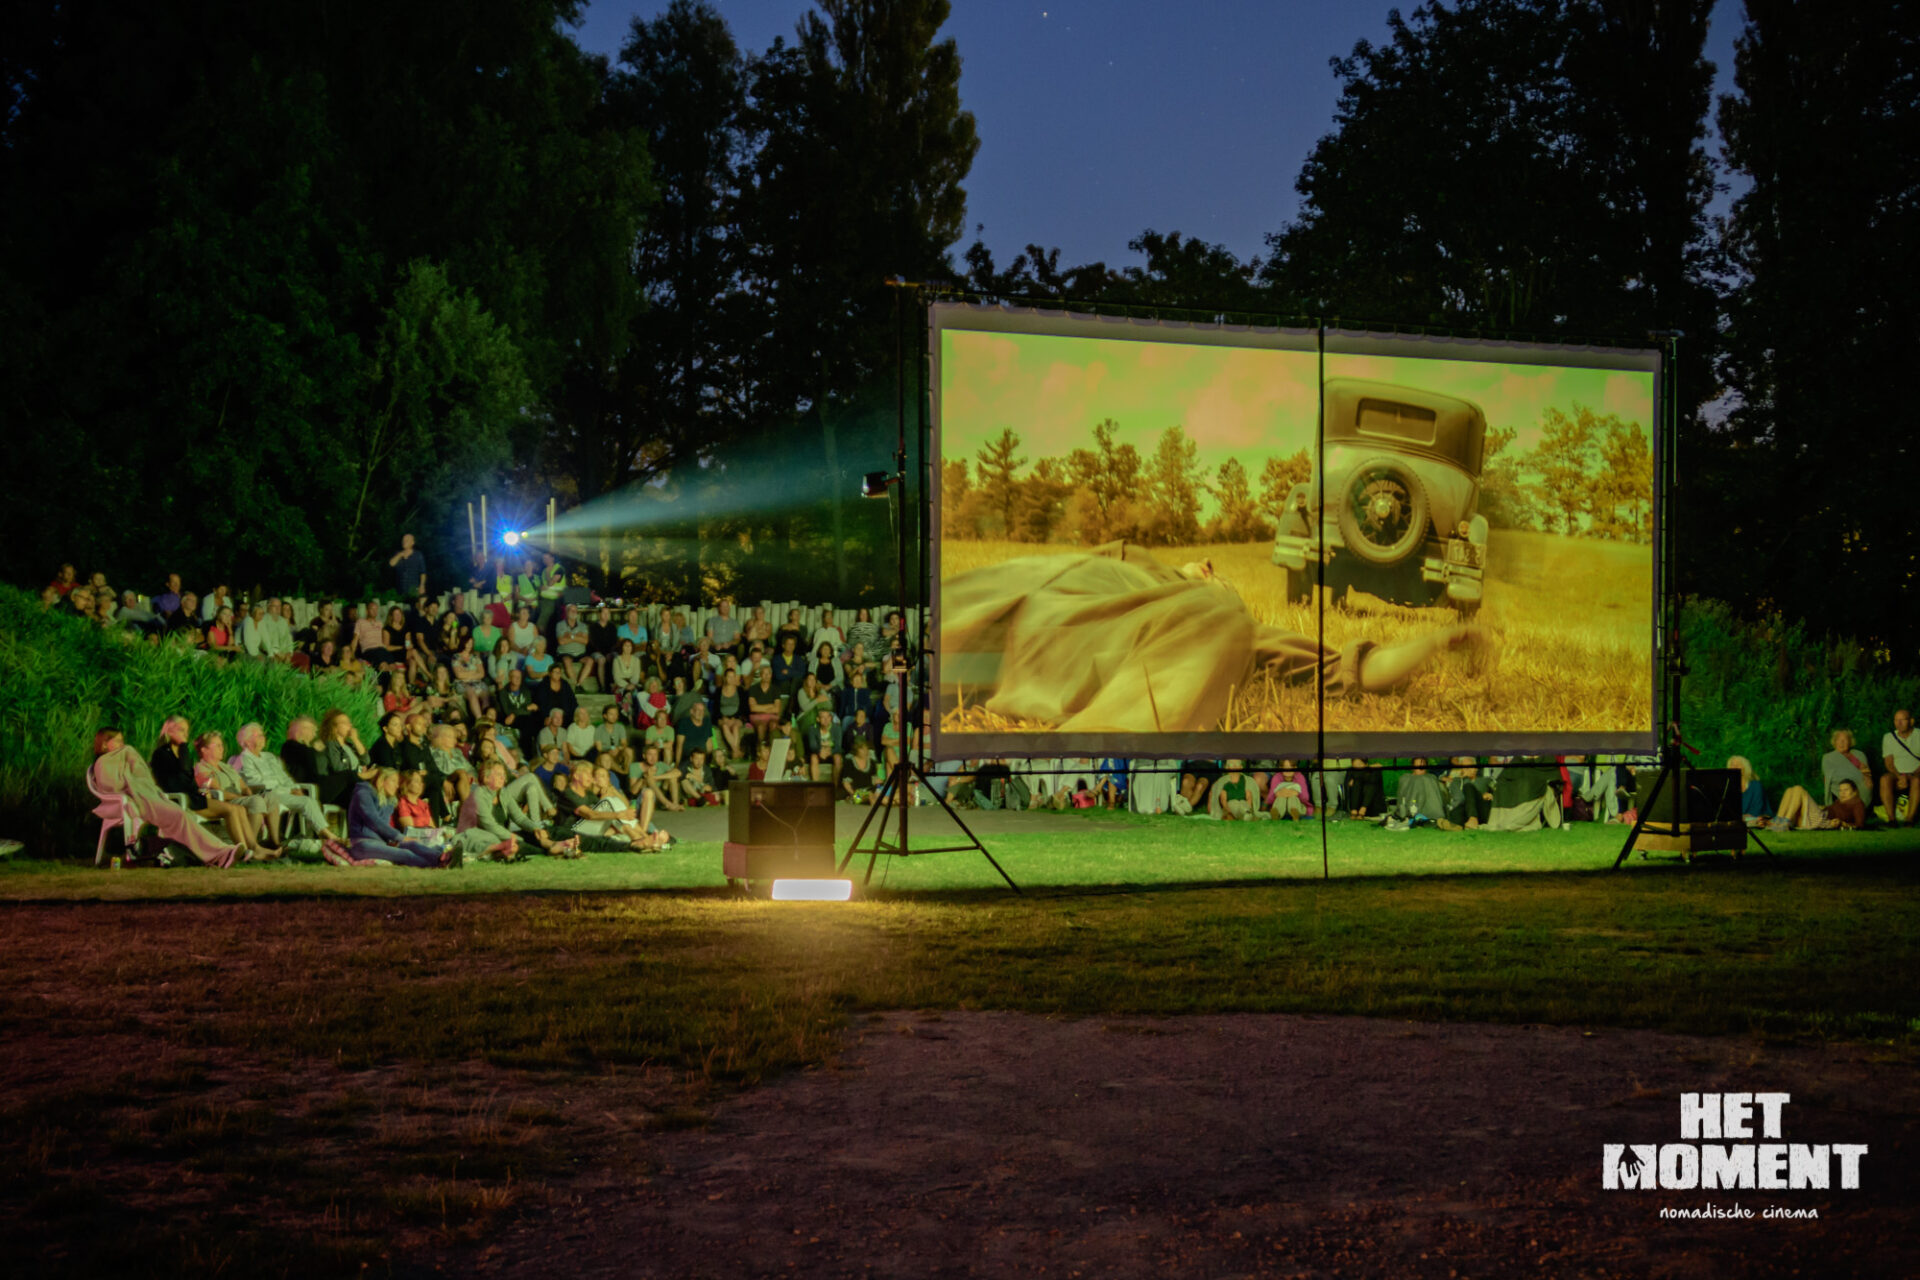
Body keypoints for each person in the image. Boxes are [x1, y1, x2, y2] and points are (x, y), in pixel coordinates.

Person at [941, 545, 1487, 733]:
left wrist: (1437, 641)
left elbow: (1354, 671)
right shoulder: (1123, 562)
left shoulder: (1219, 620)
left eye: (1218, 573)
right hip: (1017, 607)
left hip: (1079, 647)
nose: (1207, 563)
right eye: (1206, 567)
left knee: (1217, 618)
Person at [90, 728, 240, 867]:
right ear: (104, 744)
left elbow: (142, 775)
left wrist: (133, 775)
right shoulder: (103, 762)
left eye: (122, 740)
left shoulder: (124, 754)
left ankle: (220, 853)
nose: (122, 744)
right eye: (116, 741)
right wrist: (130, 779)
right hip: (135, 800)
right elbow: (111, 786)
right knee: (180, 816)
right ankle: (220, 853)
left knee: (182, 816)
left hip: (146, 796)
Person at [148, 717, 273, 859]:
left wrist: (201, 790)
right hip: (181, 801)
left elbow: (189, 777)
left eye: (186, 731)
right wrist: (183, 746)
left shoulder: (184, 753)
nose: (185, 735)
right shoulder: (162, 754)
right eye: (181, 730)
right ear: (169, 731)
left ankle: (252, 848)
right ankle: (244, 852)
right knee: (233, 809)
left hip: (194, 797)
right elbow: (179, 780)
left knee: (237, 809)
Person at [344, 769, 455, 867]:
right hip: (362, 844)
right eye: (394, 781)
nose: (397, 786)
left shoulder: (388, 801)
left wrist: (395, 840)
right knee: (406, 854)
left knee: (412, 844)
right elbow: (374, 821)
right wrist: (399, 837)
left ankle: (443, 857)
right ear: (382, 780)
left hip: (381, 843)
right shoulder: (363, 793)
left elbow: (385, 826)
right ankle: (439, 863)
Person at [314, 708, 378, 807]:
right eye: (345, 723)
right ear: (334, 728)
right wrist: (363, 775)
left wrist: (355, 740)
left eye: (349, 722)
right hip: (338, 790)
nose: (350, 725)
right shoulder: (330, 745)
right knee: (363, 795)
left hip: (353, 786)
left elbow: (366, 760)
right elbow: (339, 769)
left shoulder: (349, 746)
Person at [1880, 709, 1920, 826]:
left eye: (1902, 720)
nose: (1899, 723)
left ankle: (1909, 819)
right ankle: (1891, 819)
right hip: (1897, 773)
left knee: (1917, 781)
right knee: (1885, 779)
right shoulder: (1889, 737)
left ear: (1911, 721)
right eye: (1896, 720)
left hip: (1916, 773)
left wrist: (1912, 775)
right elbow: (1889, 763)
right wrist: (1900, 776)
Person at [1387, 759, 1450, 827]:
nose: (1420, 768)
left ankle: (1429, 819)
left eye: (1423, 765)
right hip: (1409, 811)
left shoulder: (1431, 778)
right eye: (1417, 765)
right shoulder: (1405, 778)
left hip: (1431, 813)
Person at [1822, 729, 1873, 810]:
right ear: (1834, 742)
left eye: (1845, 740)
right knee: (1846, 788)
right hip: (1840, 787)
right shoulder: (1828, 758)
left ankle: (1860, 809)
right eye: (1839, 740)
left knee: (1867, 785)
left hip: (1861, 788)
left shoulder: (1858, 754)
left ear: (1850, 742)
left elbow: (1866, 772)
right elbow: (1829, 777)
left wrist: (1867, 778)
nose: (1842, 742)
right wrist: (1854, 777)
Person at [554, 604, 592, 686]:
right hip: (565, 653)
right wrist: (578, 636)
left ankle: (579, 683)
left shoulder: (583, 626)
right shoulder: (560, 625)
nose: (574, 612)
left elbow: (585, 641)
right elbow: (561, 641)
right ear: (567, 612)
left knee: (590, 661)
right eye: (572, 610)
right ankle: (574, 683)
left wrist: (570, 636)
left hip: (580, 654)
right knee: (567, 660)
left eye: (575, 611)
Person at [1727, 756, 1769, 825]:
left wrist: (1745, 816)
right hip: (1737, 818)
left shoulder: (1756, 785)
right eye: (1732, 764)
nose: (1734, 767)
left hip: (1755, 816)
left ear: (1745, 767)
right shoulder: (1728, 787)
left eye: (1738, 764)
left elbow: (1758, 807)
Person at [389, 532, 427, 597]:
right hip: (400, 588)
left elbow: (423, 572)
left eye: (407, 540)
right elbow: (391, 564)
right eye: (403, 540)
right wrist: (400, 555)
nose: (404, 542)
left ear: (412, 542)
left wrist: (422, 585)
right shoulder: (397, 553)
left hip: (414, 588)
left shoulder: (418, 555)